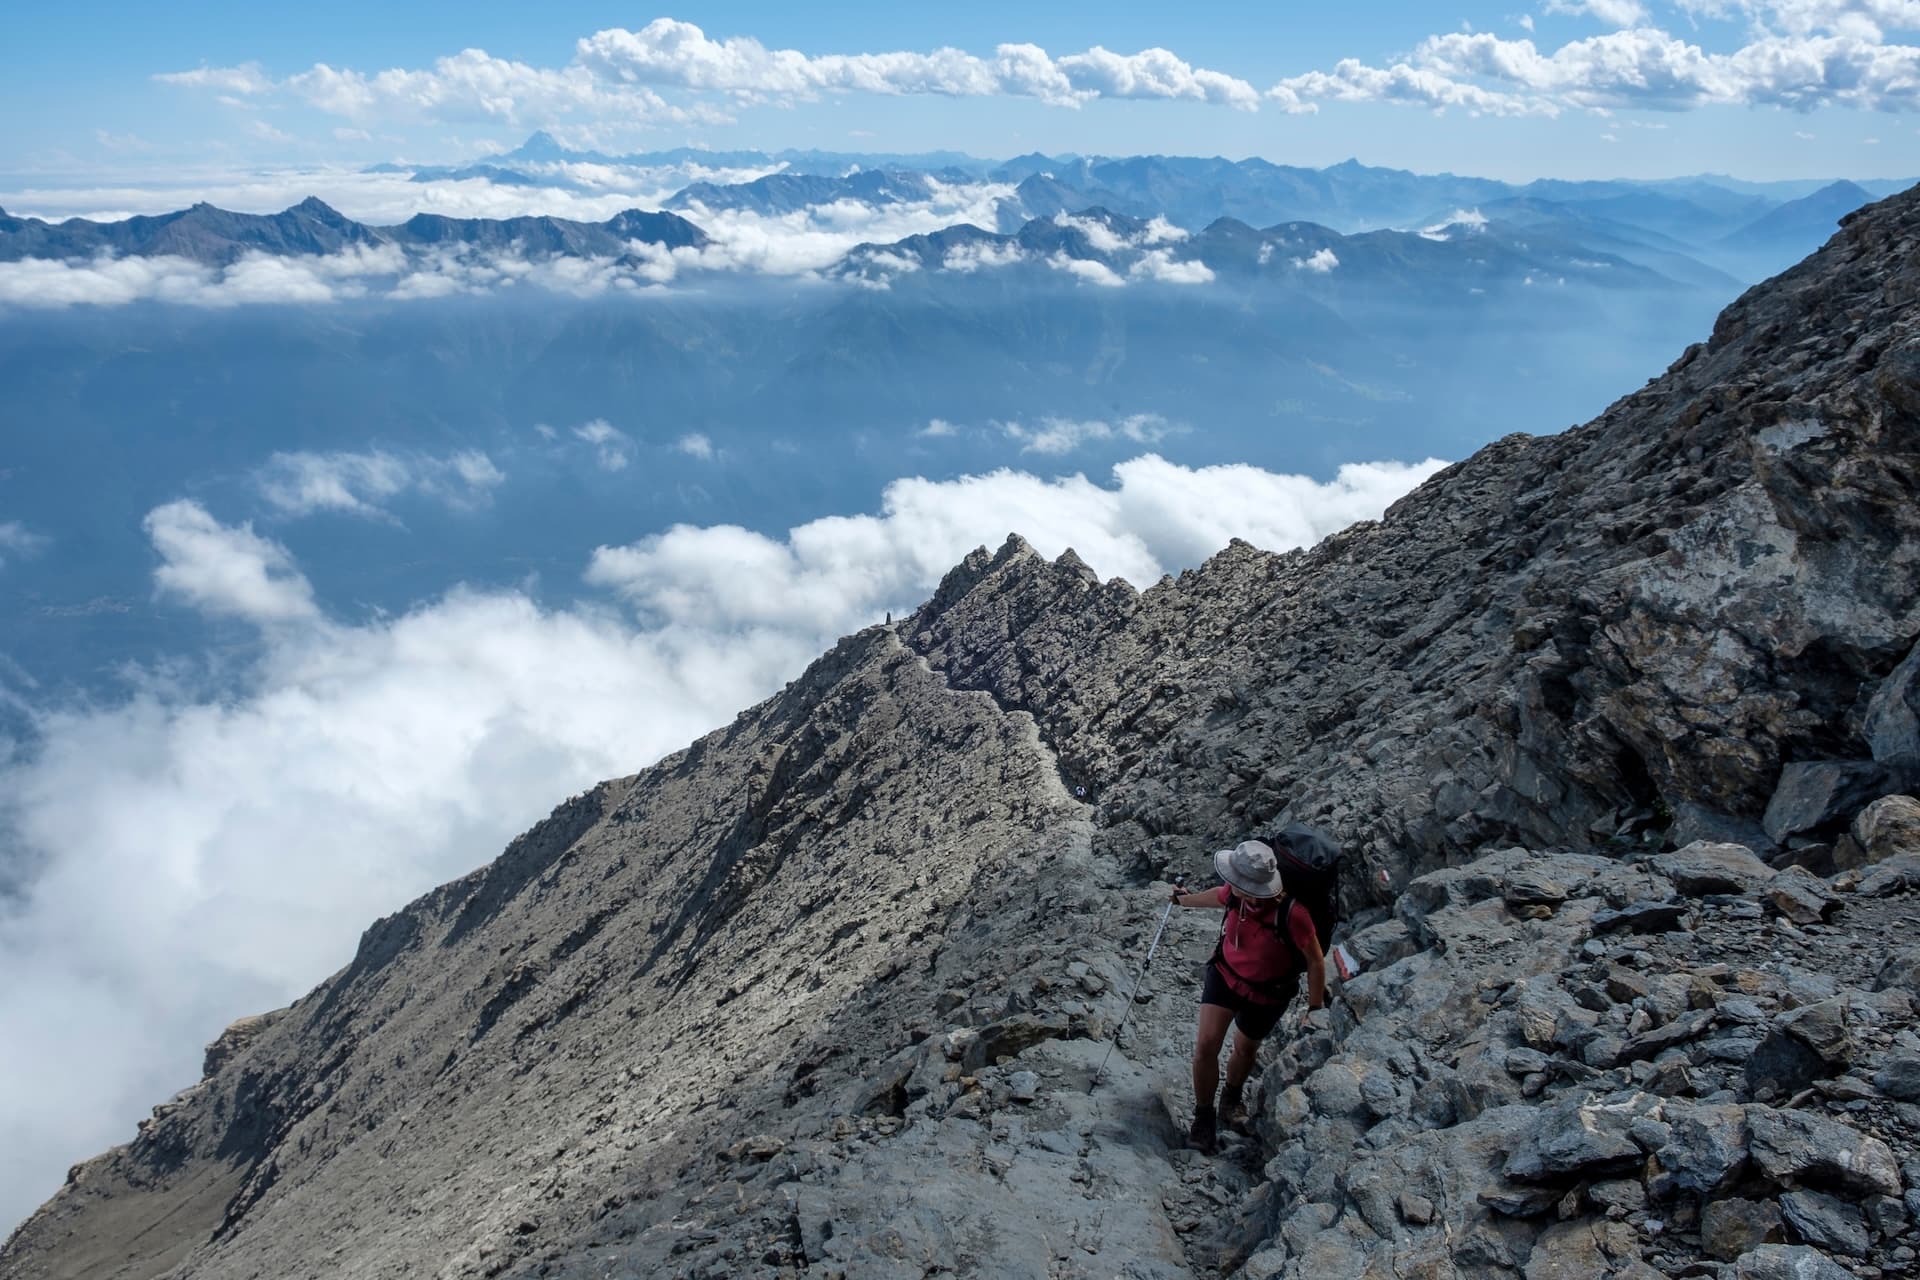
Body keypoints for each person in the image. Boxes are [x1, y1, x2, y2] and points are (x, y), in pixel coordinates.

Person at [1168, 839, 1327, 1153]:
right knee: (1205, 1046)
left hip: (1269, 992)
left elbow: (1315, 959)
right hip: (1225, 974)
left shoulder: (1293, 915)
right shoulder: (1235, 895)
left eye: (1237, 883)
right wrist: (1184, 902)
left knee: (1244, 1048)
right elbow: (1218, 896)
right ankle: (1204, 1119)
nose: (1230, 886)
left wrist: (1315, 1005)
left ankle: (1231, 1098)